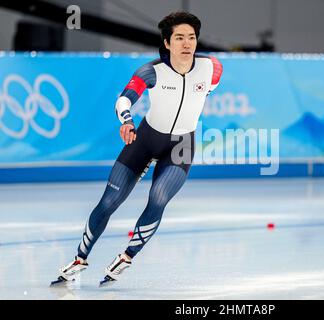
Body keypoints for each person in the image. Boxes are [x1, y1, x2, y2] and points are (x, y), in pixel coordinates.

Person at [51, 11, 223, 287]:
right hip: (144, 139)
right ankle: (80, 258)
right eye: (179, 37)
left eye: (191, 37)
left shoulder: (212, 68)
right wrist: (127, 122)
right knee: (108, 202)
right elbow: (124, 100)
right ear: (167, 43)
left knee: (159, 198)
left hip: (181, 145)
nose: (186, 43)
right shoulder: (151, 71)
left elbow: (208, 90)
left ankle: (127, 256)